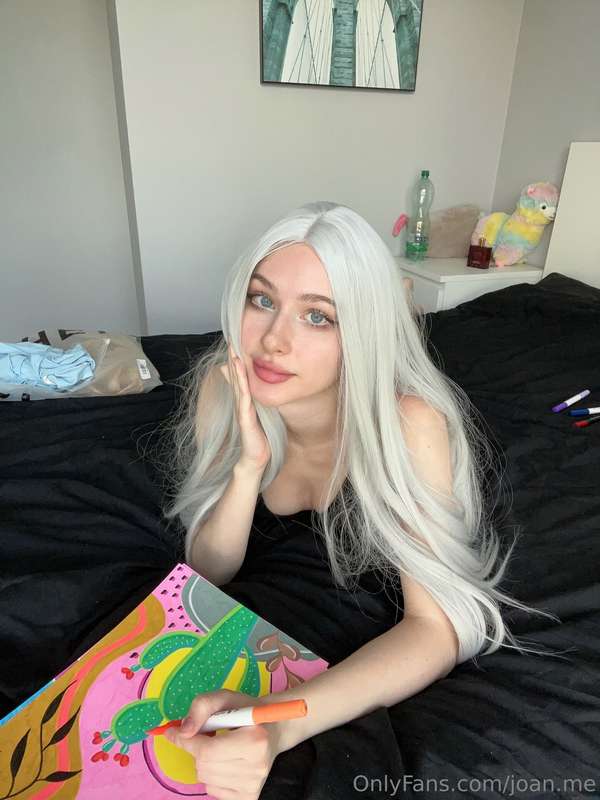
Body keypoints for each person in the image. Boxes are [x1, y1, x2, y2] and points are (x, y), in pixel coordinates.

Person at [158, 201, 560, 800]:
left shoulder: (408, 426)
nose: (273, 341)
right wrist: (247, 469)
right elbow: (207, 574)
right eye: (262, 300)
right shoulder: (223, 391)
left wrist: (277, 727)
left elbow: (436, 628)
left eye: (318, 317)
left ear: (364, 331)